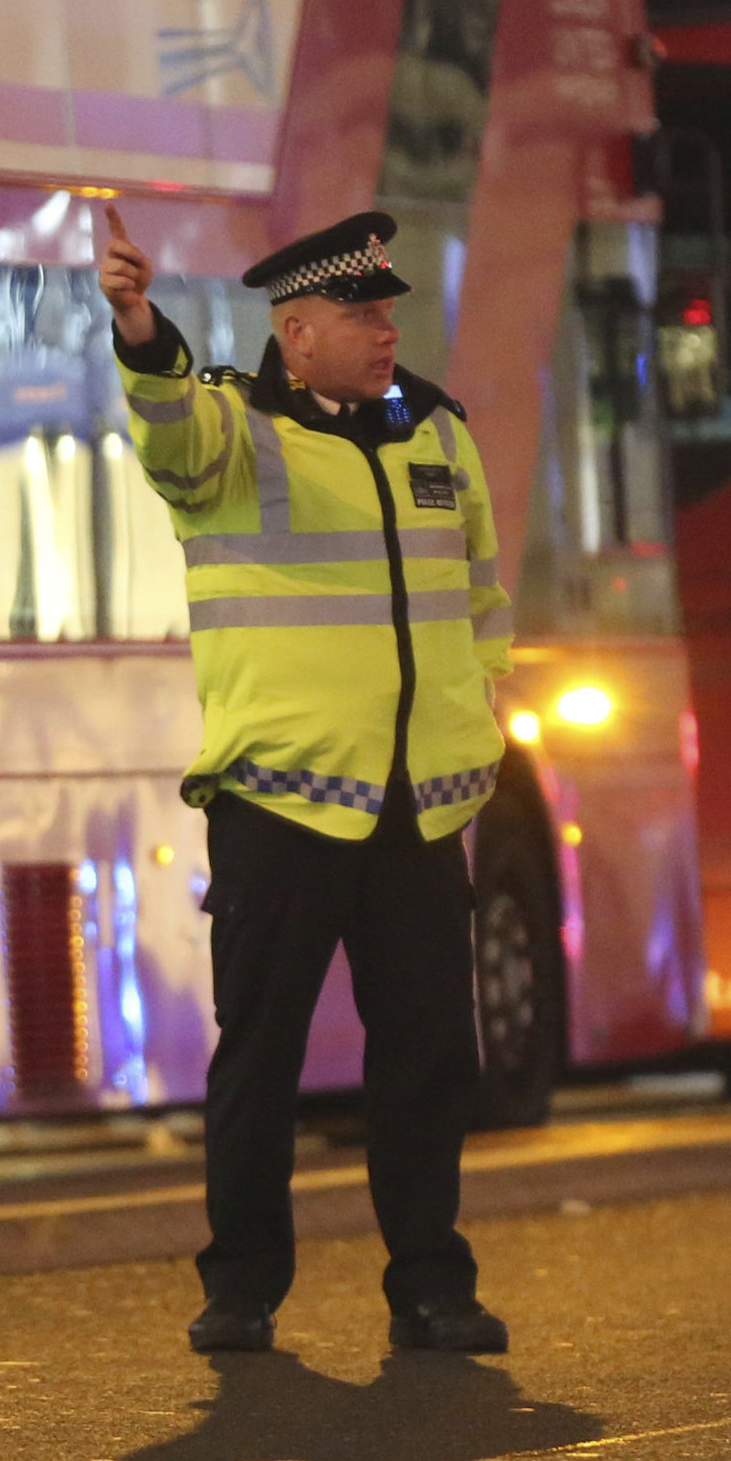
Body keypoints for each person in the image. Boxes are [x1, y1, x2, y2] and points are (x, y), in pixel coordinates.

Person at [98, 205, 514, 1357]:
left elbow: (481, 590)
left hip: (416, 804)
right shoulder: (232, 431)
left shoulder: (437, 429)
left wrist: (482, 711)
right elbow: (167, 427)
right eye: (359, 313)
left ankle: (432, 1283)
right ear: (296, 332)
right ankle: (241, 1286)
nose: (385, 332)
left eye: (387, 312)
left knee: (431, 1057)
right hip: (280, 800)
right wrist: (140, 326)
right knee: (261, 1054)